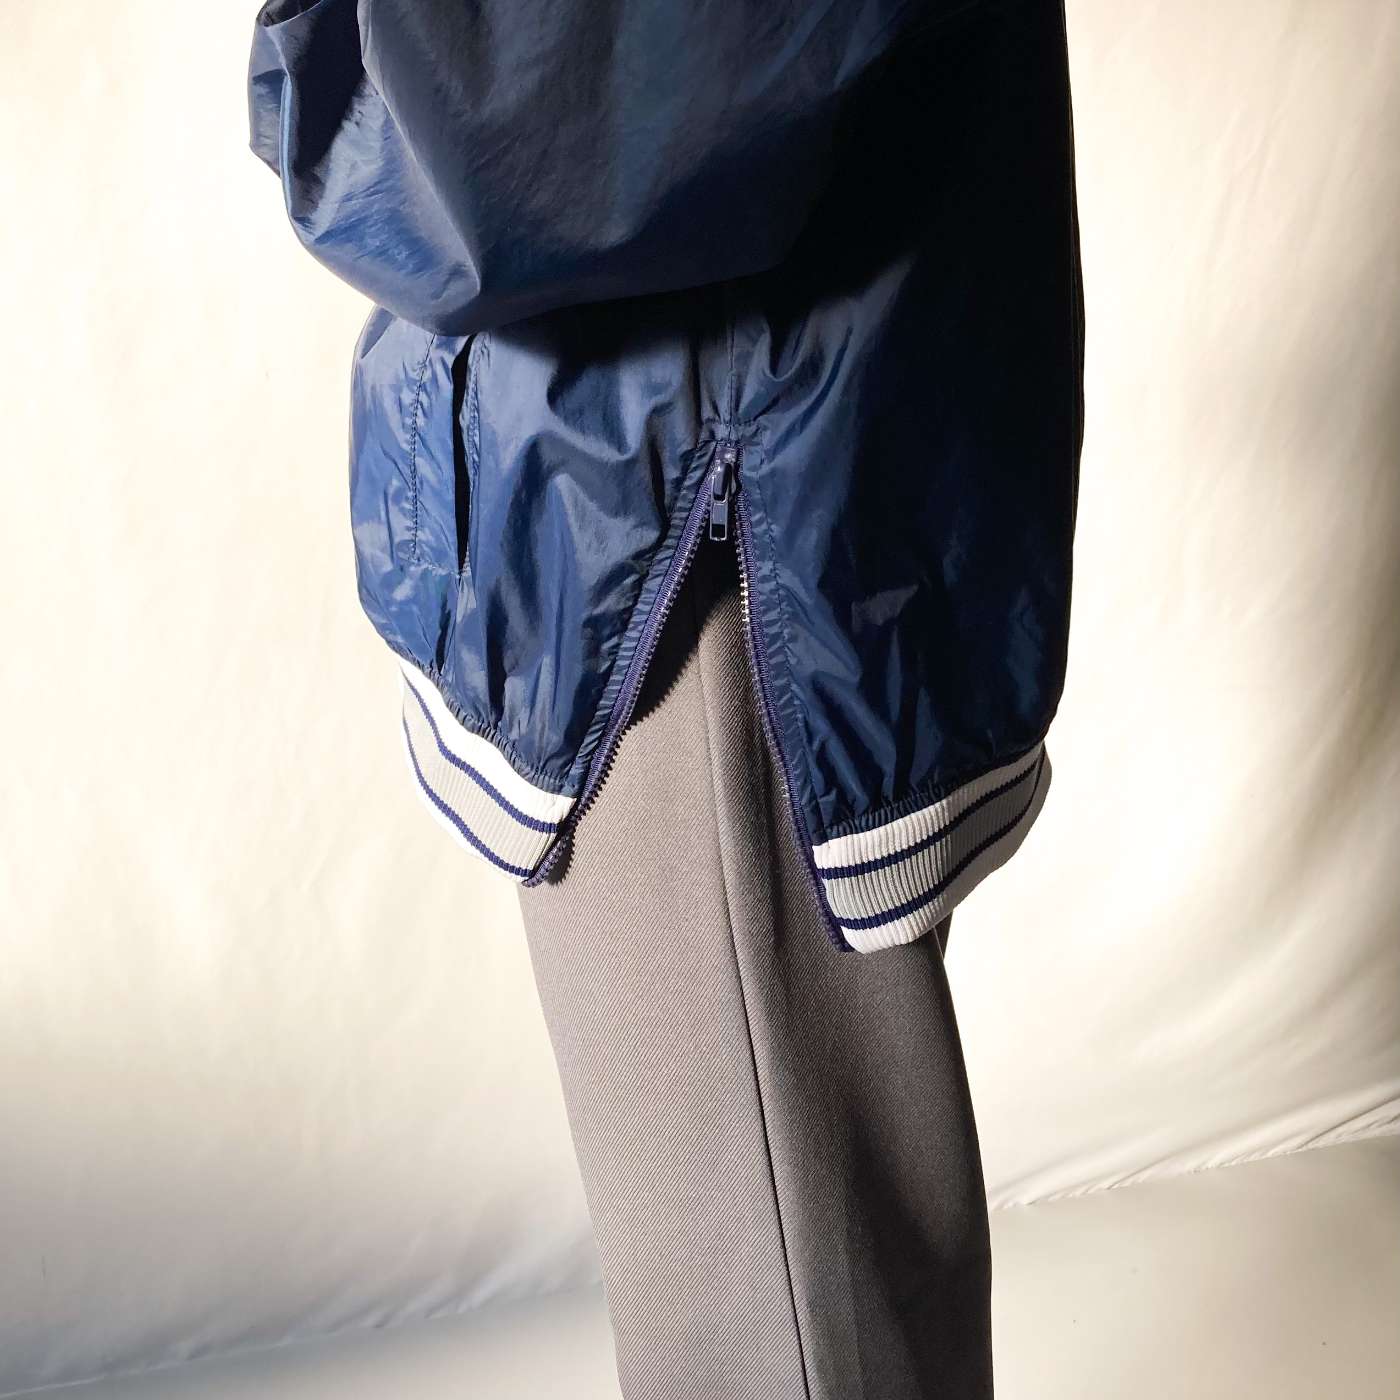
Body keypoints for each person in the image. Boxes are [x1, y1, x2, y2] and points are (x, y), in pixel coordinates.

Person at [247, 1, 1084, 1395]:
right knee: (813, 1262)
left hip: (702, 549)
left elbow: (505, 146)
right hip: (696, 508)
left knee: (768, 1307)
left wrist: (320, 47)